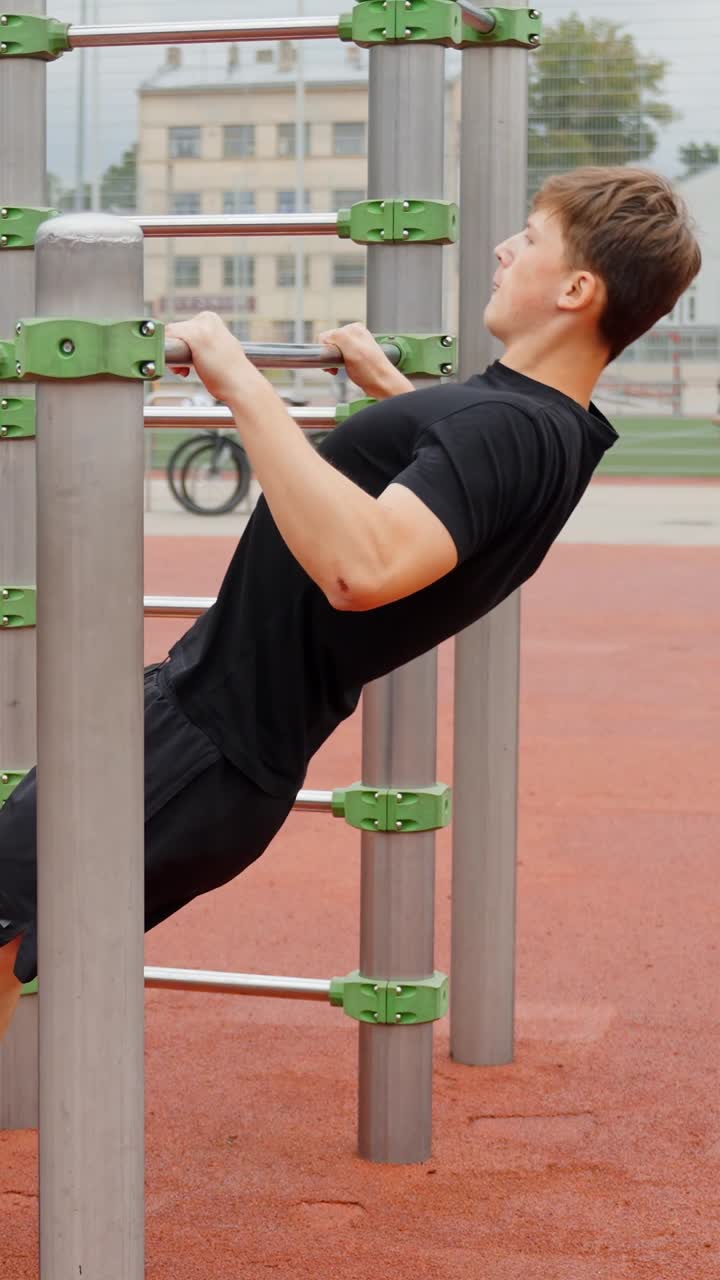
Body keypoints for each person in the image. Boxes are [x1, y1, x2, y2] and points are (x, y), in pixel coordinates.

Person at [0, 165, 702, 1041]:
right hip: (214, 750)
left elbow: (362, 567)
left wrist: (239, 380)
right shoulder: (552, 427)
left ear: (575, 288)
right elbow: (463, 494)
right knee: (20, 930)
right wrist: (402, 405)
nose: (503, 248)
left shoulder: (504, 427)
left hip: (197, 748)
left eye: (528, 237)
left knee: (7, 920)